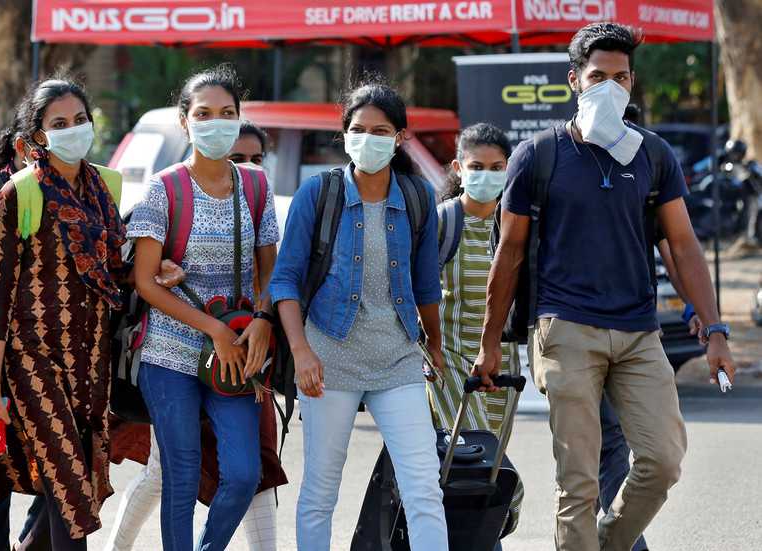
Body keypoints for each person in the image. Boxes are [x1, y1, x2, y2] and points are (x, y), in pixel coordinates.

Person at [476, 23, 736, 551]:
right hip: (564, 327)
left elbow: (683, 246)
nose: (610, 88)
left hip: (639, 333)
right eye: (598, 77)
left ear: (632, 84)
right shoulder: (538, 155)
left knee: (663, 461)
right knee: (579, 480)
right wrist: (489, 343)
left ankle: (605, 541)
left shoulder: (653, 155)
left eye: (621, 79)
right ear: (574, 80)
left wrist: (715, 329)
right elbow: (510, 253)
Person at [270, 80, 449, 551]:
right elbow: (285, 281)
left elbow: (426, 284)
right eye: (358, 128)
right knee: (320, 491)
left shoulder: (417, 197)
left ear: (400, 138)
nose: (367, 138)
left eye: (380, 130)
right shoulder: (319, 193)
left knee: (424, 488)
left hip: (397, 360)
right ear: (344, 133)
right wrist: (302, 352)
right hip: (328, 362)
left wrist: (434, 344)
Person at [107, 119, 285, 551]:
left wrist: (262, 319)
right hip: (169, 351)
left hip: (236, 354)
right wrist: (213, 328)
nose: (217, 123)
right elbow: (145, 281)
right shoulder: (163, 188)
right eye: (205, 113)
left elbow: (270, 270)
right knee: (178, 473)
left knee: (245, 475)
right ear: (186, 121)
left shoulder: (257, 188)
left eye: (227, 111)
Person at [0, 75, 128, 550]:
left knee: (75, 481)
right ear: (37, 136)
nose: (73, 129)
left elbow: (115, 267)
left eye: (80, 119)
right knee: (68, 486)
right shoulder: (19, 192)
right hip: (32, 360)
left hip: (90, 361)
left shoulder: (108, 186)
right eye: (59, 123)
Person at [428, 123, 524, 547]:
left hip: (502, 372)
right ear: (458, 168)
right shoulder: (441, 222)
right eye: (476, 166)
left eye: (497, 166)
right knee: (482, 467)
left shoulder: (518, 225)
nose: (487, 174)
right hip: (448, 366)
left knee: (477, 470)